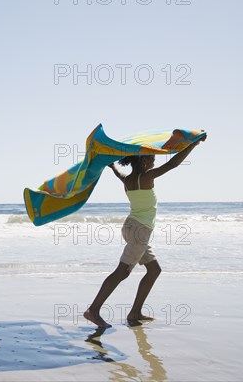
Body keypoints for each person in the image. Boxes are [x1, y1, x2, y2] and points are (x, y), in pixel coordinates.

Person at [84, 134, 207, 328]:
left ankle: (135, 312)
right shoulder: (146, 177)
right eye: (152, 157)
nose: (154, 160)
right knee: (122, 272)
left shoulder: (128, 179)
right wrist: (193, 144)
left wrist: (112, 166)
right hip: (140, 231)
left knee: (154, 270)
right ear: (143, 160)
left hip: (132, 228)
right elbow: (172, 164)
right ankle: (93, 310)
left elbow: (119, 174)